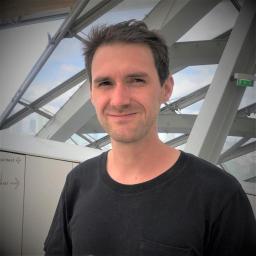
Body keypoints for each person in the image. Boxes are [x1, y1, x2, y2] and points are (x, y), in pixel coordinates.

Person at [44, 20, 256, 255]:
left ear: (166, 88)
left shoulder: (220, 195)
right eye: (105, 83)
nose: (119, 100)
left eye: (136, 80)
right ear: (92, 94)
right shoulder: (78, 182)